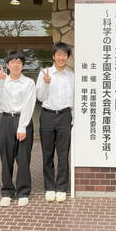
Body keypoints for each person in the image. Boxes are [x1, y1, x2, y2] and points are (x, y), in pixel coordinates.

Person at [0, 51, 36, 207]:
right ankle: (7, 191)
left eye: (19, 62)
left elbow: (29, 105)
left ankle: (23, 192)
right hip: (5, 120)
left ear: (23, 65)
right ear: (7, 65)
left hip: (22, 120)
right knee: (6, 158)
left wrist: (22, 126)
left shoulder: (28, 83)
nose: (16, 65)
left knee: (23, 158)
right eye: (13, 62)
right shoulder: (1, 80)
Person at [36, 42, 74, 202]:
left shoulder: (71, 75)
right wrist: (45, 82)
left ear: (67, 57)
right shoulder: (45, 73)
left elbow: (74, 98)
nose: (61, 57)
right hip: (47, 116)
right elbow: (40, 97)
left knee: (63, 154)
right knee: (47, 153)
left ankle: (61, 188)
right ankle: (50, 187)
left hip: (65, 116)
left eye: (64, 55)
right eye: (58, 54)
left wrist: (74, 119)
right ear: (53, 56)